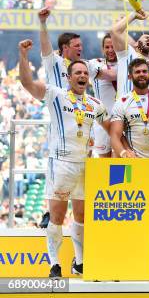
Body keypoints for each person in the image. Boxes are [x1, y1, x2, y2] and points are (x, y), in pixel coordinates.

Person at [18, 39, 110, 278]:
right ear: (68, 78)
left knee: (81, 217)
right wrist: (23, 55)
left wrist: (124, 149)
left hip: (85, 166)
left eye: (85, 73)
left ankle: (79, 263)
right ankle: (54, 263)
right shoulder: (55, 94)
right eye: (77, 72)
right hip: (60, 164)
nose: (82, 76)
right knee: (57, 217)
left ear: (88, 79)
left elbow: (112, 129)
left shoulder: (95, 104)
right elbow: (27, 82)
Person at [109, 58, 149, 277]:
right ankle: (132, 259)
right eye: (138, 71)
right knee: (133, 215)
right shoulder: (122, 102)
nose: (142, 74)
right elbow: (115, 135)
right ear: (131, 76)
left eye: (145, 71)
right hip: (135, 167)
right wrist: (124, 153)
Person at [88, 33, 118, 157]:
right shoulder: (94, 63)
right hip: (102, 120)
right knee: (104, 161)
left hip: (121, 120)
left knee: (119, 161)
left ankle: (116, 178)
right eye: (107, 47)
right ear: (102, 49)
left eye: (114, 47)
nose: (110, 50)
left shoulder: (127, 64)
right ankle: (106, 177)